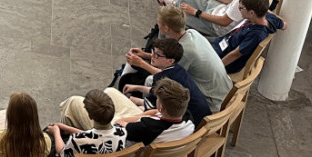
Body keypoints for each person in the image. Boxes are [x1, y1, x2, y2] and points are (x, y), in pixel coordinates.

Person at [61, 37, 211, 129]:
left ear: (170, 60)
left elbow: (151, 108)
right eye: (153, 52)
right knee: (111, 92)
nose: (153, 57)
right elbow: (157, 90)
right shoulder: (177, 70)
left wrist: (133, 102)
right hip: (189, 118)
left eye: (157, 55)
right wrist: (137, 87)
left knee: (74, 102)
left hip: (154, 121)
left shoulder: (153, 122)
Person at [121, 5, 232, 111]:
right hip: (224, 89)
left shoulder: (185, 52)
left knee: (152, 80)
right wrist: (145, 55)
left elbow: (168, 74)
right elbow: (169, 61)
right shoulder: (192, 33)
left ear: (166, 28)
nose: (157, 25)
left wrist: (141, 63)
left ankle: (149, 108)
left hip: (211, 99)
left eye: (159, 23)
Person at [48, 91, 128, 157]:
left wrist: (56, 132)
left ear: (90, 116)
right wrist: (68, 128)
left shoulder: (77, 140)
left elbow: (62, 152)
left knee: (48, 140)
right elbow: (96, 137)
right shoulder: (122, 131)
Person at [210, 0, 285, 74]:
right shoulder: (268, 17)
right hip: (223, 42)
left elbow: (235, 54)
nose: (239, 10)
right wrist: (265, 10)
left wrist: (216, 67)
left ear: (251, 13)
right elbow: (285, 24)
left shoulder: (256, 34)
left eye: (240, 8)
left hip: (224, 57)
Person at [117, 79, 196, 145]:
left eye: (157, 99)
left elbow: (119, 123)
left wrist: (140, 117)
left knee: (111, 91)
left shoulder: (147, 127)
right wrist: (142, 116)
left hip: (135, 154)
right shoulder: (188, 117)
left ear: (161, 107)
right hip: (168, 152)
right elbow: (156, 111)